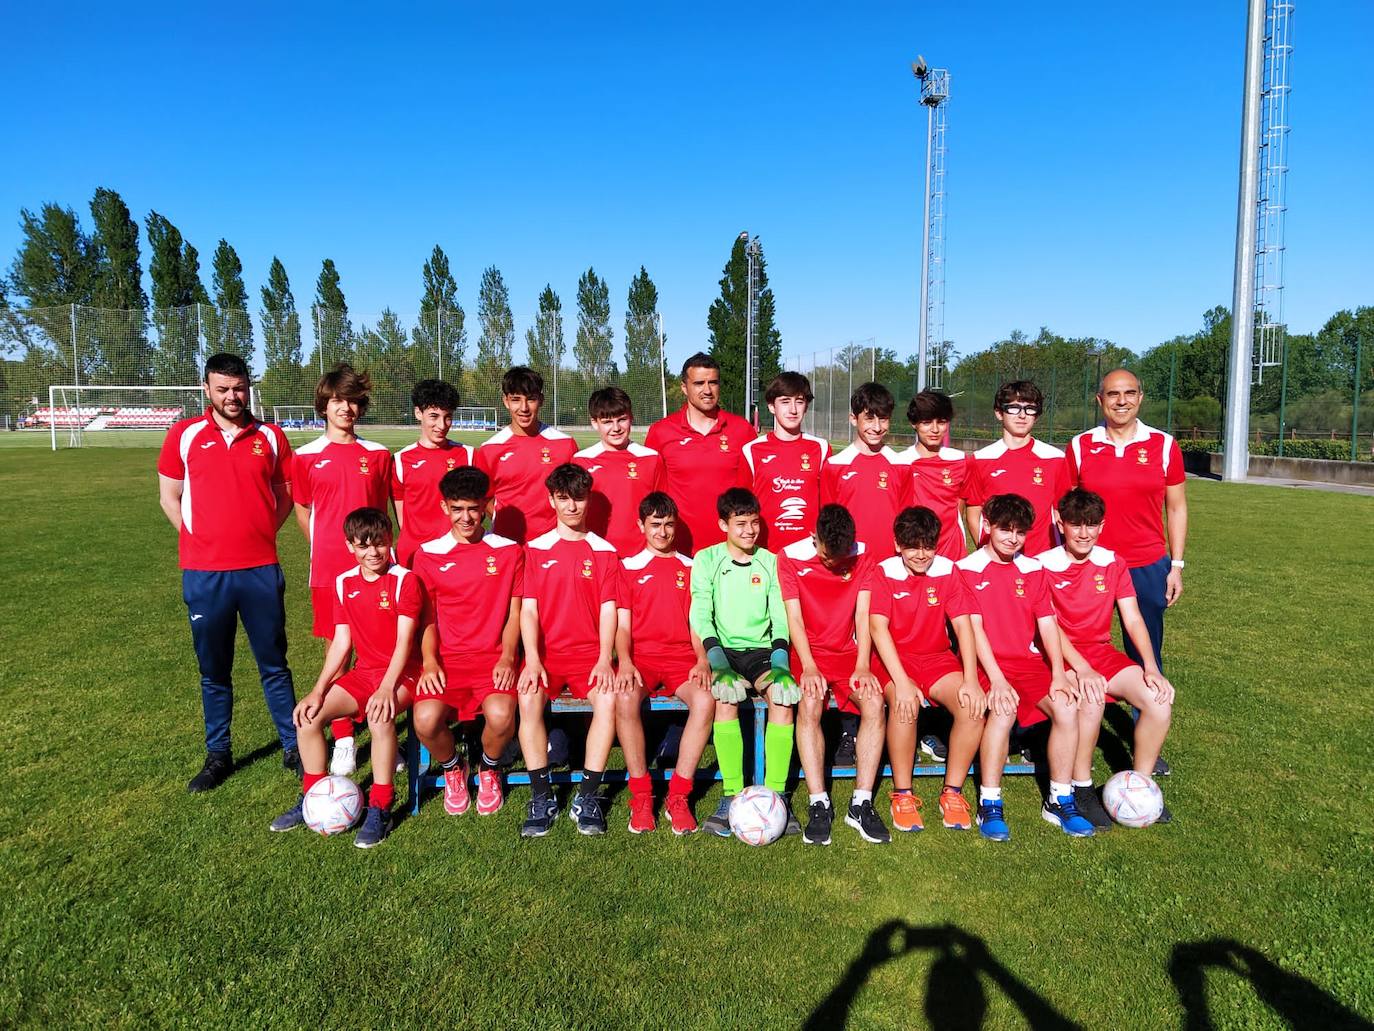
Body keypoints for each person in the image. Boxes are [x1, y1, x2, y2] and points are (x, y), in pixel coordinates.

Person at [157, 353, 299, 793]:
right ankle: (218, 754)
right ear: (207, 389)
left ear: (247, 388)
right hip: (205, 574)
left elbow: (285, 494)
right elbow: (169, 497)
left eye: (238, 388)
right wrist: (197, 540)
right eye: (222, 389)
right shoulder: (184, 434)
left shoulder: (271, 437)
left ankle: (294, 746)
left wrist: (262, 533)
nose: (232, 396)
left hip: (260, 570)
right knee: (214, 670)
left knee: (274, 663)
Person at [269, 508, 420, 848]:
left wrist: (386, 688)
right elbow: (341, 641)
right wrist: (317, 690)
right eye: (363, 545)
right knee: (308, 717)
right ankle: (312, 796)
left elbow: (404, 642)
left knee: (380, 718)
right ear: (350, 546)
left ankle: (380, 806)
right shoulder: (343, 582)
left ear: (390, 541)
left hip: (404, 674)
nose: (373, 552)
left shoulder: (404, 580)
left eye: (379, 543)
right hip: (365, 674)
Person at [1066, 368, 1186, 777]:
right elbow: (1063, 507)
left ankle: (1145, 738)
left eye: (1129, 393)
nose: (1122, 401)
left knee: (1146, 651)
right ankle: (1064, 728)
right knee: (1079, 646)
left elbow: (1176, 507)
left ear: (1141, 397)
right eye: (1113, 394)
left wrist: (1176, 565)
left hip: (1148, 564)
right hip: (1091, 565)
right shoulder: (1081, 445)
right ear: (1099, 400)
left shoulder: (1163, 445)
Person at [954, 493, 1096, 840]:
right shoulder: (966, 569)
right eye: (1005, 529)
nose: (1013, 538)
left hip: (1028, 663)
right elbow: (974, 630)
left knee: (1066, 706)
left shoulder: (1033, 569)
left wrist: (1059, 674)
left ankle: (1060, 798)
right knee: (1002, 711)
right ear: (987, 527)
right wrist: (998, 680)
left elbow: (1048, 623)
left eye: (1020, 532)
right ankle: (990, 802)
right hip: (987, 664)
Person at [1041, 488, 1175, 826]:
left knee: (1158, 701)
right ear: (1060, 523)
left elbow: (1132, 618)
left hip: (1101, 654)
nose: (1084, 533)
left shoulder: (1113, 562)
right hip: (1058, 657)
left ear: (1102, 525)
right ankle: (1081, 787)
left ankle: (1139, 787)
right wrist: (1082, 668)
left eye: (1092, 525)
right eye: (1076, 524)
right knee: (1092, 695)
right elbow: (1048, 626)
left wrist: (1151, 667)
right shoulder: (1042, 566)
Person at [291, 363, 392, 774]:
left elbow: (382, 512)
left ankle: (384, 730)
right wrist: (326, 549)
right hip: (329, 573)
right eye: (337, 400)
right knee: (338, 650)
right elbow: (302, 510)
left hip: (376, 570)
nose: (345, 408)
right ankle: (345, 738)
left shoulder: (378, 455)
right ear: (324, 405)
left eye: (351, 400)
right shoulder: (305, 457)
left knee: (380, 651)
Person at [865, 506, 987, 833]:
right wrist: (902, 682)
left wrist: (971, 679)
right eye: (912, 547)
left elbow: (963, 627)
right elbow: (877, 629)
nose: (921, 554)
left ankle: (953, 793)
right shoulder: (883, 572)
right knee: (904, 705)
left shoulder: (948, 570)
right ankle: (903, 794)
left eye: (928, 546)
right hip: (895, 659)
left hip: (936, 658)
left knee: (972, 707)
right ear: (897, 544)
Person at [410, 467, 523, 819]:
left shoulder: (509, 551)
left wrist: (508, 657)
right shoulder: (427, 554)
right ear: (444, 507)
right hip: (447, 660)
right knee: (425, 721)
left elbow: (515, 613)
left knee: (501, 716)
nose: (466, 517)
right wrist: (430, 662)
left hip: (493, 658)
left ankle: (489, 768)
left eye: (473, 508)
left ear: (486, 505)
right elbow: (427, 619)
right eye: (457, 509)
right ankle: (453, 767)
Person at [517, 464, 622, 837]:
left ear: (588, 499)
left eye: (578, 498)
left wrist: (604, 658)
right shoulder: (535, 549)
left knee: (608, 699)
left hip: (589, 658)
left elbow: (609, 610)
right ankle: (541, 796)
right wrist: (532, 659)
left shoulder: (605, 551)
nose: (572, 506)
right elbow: (528, 611)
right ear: (551, 500)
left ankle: (587, 797)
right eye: (564, 498)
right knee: (528, 697)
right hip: (547, 658)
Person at [690, 488, 802, 837]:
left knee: (783, 700)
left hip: (763, 653)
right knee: (725, 700)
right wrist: (718, 663)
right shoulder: (707, 559)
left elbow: (780, 619)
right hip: (723, 651)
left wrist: (781, 664)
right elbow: (701, 615)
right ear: (723, 524)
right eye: (740, 524)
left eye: (754, 523)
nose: (749, 530)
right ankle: (731, 795)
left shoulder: (771, 561)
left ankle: (777, 797)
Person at [779, 504, 890, 845]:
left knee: (874, 703)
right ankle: (819, 802)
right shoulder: (789, 557)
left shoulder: (863, 555)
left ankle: (861, 802)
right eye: (827, 556)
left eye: (840, 557)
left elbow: (862, 614)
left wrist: (862, 664)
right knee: (810, 704)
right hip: (807, 653)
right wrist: (809, 665)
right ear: (814, 537)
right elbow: (794, 618)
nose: (834, 563)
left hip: (848, 654)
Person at [614, 492, 716, 834]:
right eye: (655, 524)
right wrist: (625, 661)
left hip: (681, 659)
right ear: (640, 525)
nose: (662, 532)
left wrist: (702, 659)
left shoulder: (690, 567)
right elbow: (622, 626)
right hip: (641, 659)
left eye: (669, 524)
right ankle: (642, 796)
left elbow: (697, 623)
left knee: (706, 699)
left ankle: (679, 795)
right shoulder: (628, 567)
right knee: (624, 697)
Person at [644, 353, 754, 554]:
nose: (707, 390)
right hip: (678, 549)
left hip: (731, 549)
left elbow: (751, 492)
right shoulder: (661, 432)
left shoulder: (742, 430)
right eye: (698, 383)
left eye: (713, 382)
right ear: (684, 387)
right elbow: (651, 494)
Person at [964, 381, 1069, 557]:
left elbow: (1061, 512)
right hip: (1000, 561)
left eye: (1030, 409)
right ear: (999, 413)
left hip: (1044, 559)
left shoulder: (1055, 458)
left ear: (1037, 415)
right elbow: (973, 514)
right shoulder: (980, 459)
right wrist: (989, 553)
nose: (1022, 415)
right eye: (1014, 408)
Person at [473, 367, 577, 544]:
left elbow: (576, 493)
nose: (524, 408)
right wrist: (502, 519)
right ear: (506, 401)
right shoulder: (489, 449)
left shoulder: (565, 444)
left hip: (554, 545)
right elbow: (484, 497)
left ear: (541, 400)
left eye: (531, 399)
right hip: (507, 544)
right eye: (516, 399)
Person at [821, 382, 913, 558]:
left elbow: (906, 522)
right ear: (853, 419)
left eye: (883, 419)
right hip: (848, 562)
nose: (877, 427)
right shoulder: (834, 466)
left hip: (889, 563)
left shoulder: (901, 466)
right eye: (869, 419)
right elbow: (828, 523)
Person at [741, 371, 830, 551]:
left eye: (799, 401)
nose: (793, 409)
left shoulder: (821, 448)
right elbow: (741, 508)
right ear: (771, 406)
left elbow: (828, 504)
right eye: (785, 401)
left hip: (808, 553)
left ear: (806, 406)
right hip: (764, 553)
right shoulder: (751, 450)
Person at [572, 386, 665, 556]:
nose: (616, 428)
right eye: (607, 422)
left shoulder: (651, 458)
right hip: (596, 554)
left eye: (622, 419)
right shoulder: (581, 460)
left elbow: (662, 510)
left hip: (641, 554)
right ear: (594, 423)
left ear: (631, 418)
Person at [391, 379, 471, 567]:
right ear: (418, 413)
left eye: (448, 417)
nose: (442, 425)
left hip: (457, 555)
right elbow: (403, 521)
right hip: (414, 556)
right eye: (434, 416)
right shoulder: (400, 461)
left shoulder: (468, 455)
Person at [899, 390, 972, 562]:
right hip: (914, 556)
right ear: (914, 423)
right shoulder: (900, 463)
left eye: (941, 422)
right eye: (926, 422)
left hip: (953, 556)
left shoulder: (961, 461)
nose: (934, 429)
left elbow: (960, 508)